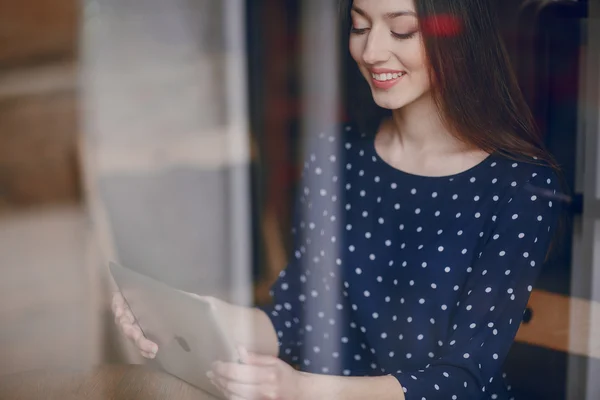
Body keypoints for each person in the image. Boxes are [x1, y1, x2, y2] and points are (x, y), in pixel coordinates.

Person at [112, 0, 565, 398]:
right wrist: (183, 317)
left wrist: (302, 389)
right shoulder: (339, 155)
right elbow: (298, 318)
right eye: (360, 26)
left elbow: (462, 379)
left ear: (458, 35)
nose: (371, 52)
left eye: (402, 29)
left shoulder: (520, 186)